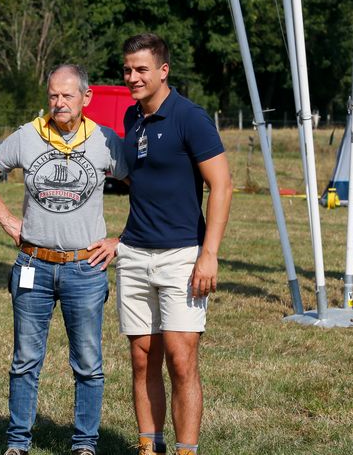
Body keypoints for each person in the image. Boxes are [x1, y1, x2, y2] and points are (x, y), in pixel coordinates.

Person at [0, 64, 127, 455]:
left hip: (85, 268)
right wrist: (7, 219)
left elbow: (147, 190)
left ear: (86, 98)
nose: (59, 103)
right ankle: (18, 442)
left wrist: (119, 240)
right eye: (53, 95)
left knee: (88, 363)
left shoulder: (105, 141)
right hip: (32, 266)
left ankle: (84, 444)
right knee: (25, 360)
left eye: (68, 95)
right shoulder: (28, 135)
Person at [115, 33, 233, 455]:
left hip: (183, 256)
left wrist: (209, 254)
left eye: (142, 69)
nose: (133, 77)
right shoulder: (132, 119)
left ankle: (187, 450)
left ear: (164, 71)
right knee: (143, 359)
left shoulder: (190, 117)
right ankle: (150, 446)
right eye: (128, 69)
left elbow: (222, 185)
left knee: (181, 362)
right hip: (133, 256)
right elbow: (138, 181)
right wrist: (121, 238)